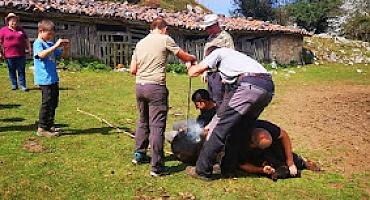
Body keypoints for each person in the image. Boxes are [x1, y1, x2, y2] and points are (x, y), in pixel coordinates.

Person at [185, 46, 275, 180]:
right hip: (267, 87)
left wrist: (189, 64)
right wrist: (211, 123)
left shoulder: (217, 53)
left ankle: (202, 170)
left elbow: (193, 72)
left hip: (249, 85)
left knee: (220, 130)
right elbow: (226, 106)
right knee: (239, 128)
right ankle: (229, 169)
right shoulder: (235, 63)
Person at [130, 17, 196, 177]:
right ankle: (157, 166)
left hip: (140, 86)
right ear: (164, 28)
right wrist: (192, 59)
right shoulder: (165, 39)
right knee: (157, 126)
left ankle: (139, 154)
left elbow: (133, 69)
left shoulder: (140, 43)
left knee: (143, 121)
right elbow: (183, 56)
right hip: (156, 87)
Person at [239, 120, 321, 179]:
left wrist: (290, 161)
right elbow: (242, 165)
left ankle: (303, 162)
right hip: (253, 153)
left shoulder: (268, 128)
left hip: (271, 146)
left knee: (282, 154)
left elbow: (284, 135)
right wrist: (261, 170)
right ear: (252, 145)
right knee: (266, 164)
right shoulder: (240, 142)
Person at [33, 20, 70, 137]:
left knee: (54, 103)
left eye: (52, 35)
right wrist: (55, 46)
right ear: (40, 31)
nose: (50, 37)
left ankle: (50, 125)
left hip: (53, 78)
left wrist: (66, 48)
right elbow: (41, 55)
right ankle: (42, 128)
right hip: (45, 79)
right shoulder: (38, 43)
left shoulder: (49, 44)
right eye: (48, 34)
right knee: (47, 103)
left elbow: (63, 56)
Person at [201, 14, 234, 108]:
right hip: (211, 74)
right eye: (207, 28)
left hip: (220, 74)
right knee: (211, 99)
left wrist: (226, 76)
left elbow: (231, 57)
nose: (208, 30)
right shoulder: (210, 38)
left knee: (219, 100)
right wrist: (205, 72)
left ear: (216, 25)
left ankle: (221, 120)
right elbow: (207, 56)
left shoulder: (225, 38)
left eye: (209, 27)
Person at [0, 13, 33, 91]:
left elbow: (26, 39)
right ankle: (14, 84)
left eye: (15, 20)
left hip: (21, 53)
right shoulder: (3, 30)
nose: (13, 22)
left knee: (21, 70)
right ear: (8, 21)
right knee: (11, 69)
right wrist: (0, 52)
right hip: (9, 54)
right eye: (11, 21)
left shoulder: (20, 29)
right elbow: (0, 41)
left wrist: (29, 48)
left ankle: (23, 85)